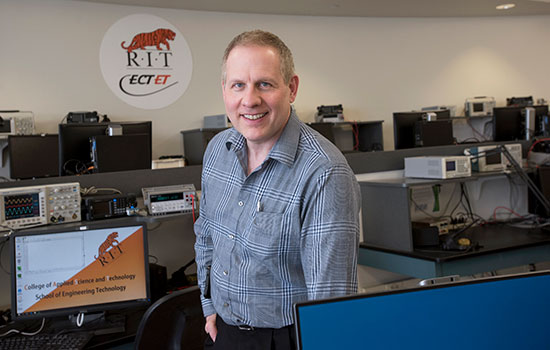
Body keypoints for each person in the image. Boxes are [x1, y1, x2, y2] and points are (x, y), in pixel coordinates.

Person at [194, 29, 361, 350]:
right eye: (238, 85)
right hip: (224, 333)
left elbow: (332, 299)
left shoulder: (325, 172)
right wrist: (209, 305)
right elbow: (206, 234)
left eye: (265, 84)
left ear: (292, 88)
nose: (250, 99)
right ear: (224, 90)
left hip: (289, 339)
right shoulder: (217, 150)